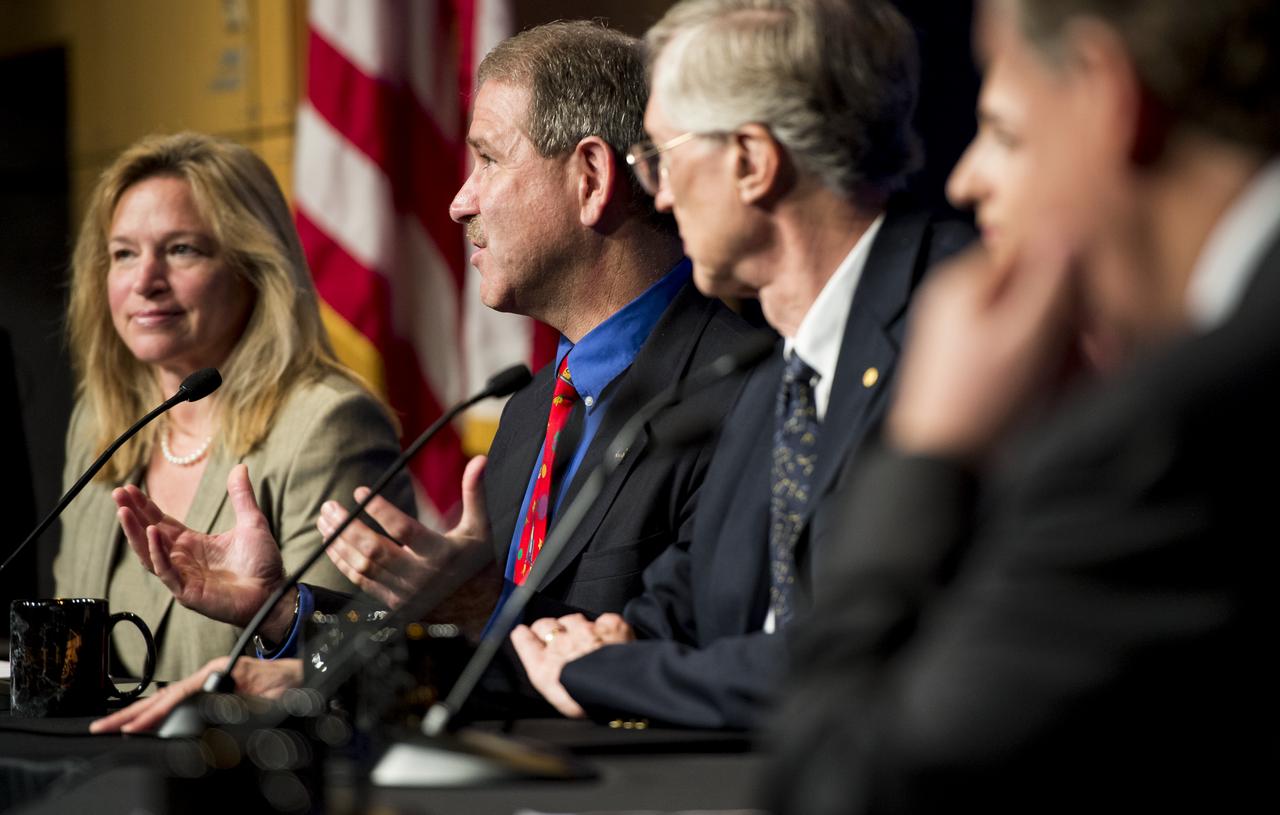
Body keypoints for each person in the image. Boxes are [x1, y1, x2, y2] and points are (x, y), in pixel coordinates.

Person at [92, 21, 753, 734]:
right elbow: (478, 659)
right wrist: (286, 611)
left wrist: (478, 608)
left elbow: (661, 661)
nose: (458, 202)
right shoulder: (531, 409)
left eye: (488, 160)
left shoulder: (739, 392)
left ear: (590, 179)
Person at [766, 0, 1280, 811]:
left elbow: (839, 786)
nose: (966, 179)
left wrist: (930, 454)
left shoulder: (1163, 438)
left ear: (1107, 94)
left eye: (1005, 132)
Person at [509, 0, 974, 729]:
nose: (657, 194)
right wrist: (606, 643)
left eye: (661, 155)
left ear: (751, 162)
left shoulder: (955, 325)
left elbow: (866, 653)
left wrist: (619, 670)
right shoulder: (766, 375)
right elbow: (681, 602)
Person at [54, 132, 414, 682]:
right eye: (124, 253)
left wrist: (277, 616)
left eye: (182, 250)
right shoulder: (99, 422)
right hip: (98, 760)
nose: (145, 281)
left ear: (254, 268)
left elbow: (356, 662)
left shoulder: (327, 425)